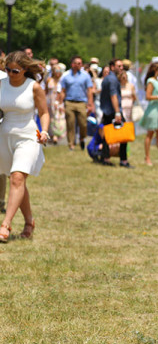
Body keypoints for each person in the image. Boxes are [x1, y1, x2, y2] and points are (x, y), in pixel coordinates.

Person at [0, 51, 50, 243]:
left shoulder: (33, 87)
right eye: (7, 70)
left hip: (28, 136)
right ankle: (29, 222)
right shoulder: (1, 84)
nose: (10, 74)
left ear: (25, 69)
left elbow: (44, 112)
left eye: (15, 71)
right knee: (16, 181)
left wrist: (44, 131)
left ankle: (5, 225)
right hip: (5, 135)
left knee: (17, 178)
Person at [99, 59, 132, 168]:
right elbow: (113, 96)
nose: (121, 68)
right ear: (112, 67)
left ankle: (105, 157)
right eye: (119, 66)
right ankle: (123, 160)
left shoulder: (107, 78)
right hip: (113, 111)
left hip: (107, 110)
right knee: (123, 135)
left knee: (107, 135)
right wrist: (117, 112)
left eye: (122, 66)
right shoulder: (112, 79)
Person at [59, 55, 94, 150]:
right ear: (72, 64)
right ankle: (71, 144)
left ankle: (82, 138)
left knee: (83, 123)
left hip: (81, 102)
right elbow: (63, 91)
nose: (78, 65)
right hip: (69, 102)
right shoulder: (66, 76)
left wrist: (90, 103)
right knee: (70, 124)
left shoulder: (85, 75)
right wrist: (60, 103)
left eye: (80, 63)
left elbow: (89, 90)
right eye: (76, 63)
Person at [140, 62, 158, 167]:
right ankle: (147, 157)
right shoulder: (151, 81)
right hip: (153, 109)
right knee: (150, 134)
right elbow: (148, 96)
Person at [45, 65, 64, 144]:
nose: (58, 73)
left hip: (57, 101)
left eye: (59, 71)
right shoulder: (49, 80)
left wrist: (59, 102)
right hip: (49, 100)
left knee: (56, 118)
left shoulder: (62, 80)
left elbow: (62, 93)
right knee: (50, 117)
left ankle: (56, 135)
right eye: (56, 71)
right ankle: (51, 135)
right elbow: (46, 91)